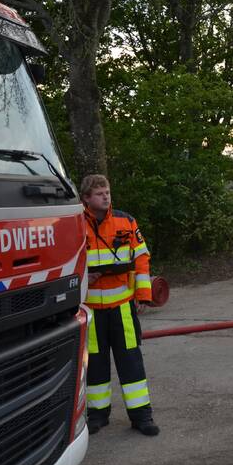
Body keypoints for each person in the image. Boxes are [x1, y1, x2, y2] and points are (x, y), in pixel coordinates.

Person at [81, 174, 159, 437]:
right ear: (86, 198)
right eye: (99, 193)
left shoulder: (126, 221)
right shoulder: (75, 225)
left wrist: (143, 295)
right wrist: (82, 276)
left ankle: (141, 416)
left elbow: (142, 259)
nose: (106, 196)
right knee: (96, 365)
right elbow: (66, 261)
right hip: (91, 309)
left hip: (123, 307)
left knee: (131, 363)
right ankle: (97, 415)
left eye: (107, 191)